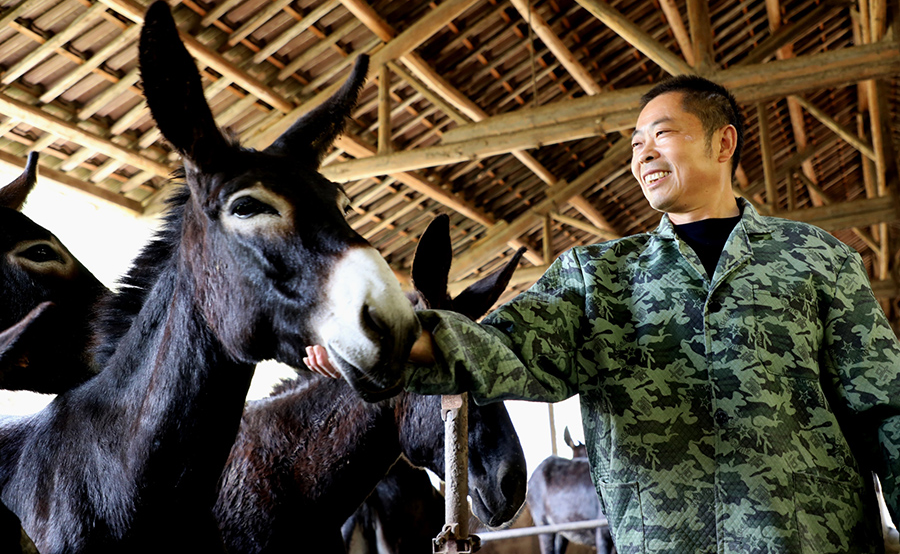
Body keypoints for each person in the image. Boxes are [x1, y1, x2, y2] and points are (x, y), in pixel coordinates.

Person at [306, 75, 900, 553]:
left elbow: (885, 408)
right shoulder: (597, 277)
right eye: (635, 144)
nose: (643, 156)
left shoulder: (816, 259)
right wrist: (378, 341)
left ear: (724, 143)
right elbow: (509, 345)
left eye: (661, 136)